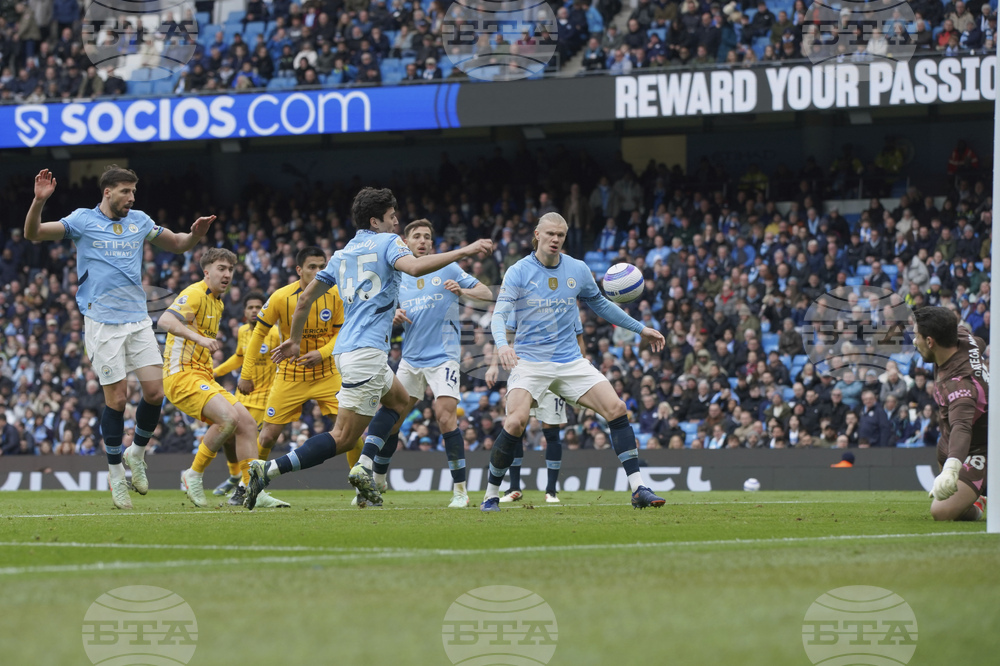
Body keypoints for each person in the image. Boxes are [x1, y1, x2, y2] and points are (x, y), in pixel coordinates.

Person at [244, 188, 492, 509]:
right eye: (392, 217)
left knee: (400, 401)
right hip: (366, 353)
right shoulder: (389, 243)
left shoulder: (342, 254)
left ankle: (366, 468)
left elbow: (304, 299)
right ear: (376, 221)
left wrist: (293, 338)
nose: (396, 222)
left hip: (348, 350)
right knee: (343, 437)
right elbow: (414, 268)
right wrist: (465, 250)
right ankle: (271, 469)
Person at [23, 166, 214, 509]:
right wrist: (39, 202)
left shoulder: (139, 221)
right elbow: (34, 233)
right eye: (126, 191)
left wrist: (195, 235)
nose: (132, 198)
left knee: (156, 392)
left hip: (138, 319)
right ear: (108, 192)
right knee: (118, 400)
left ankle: (136, 454)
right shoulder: (82, 221)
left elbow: (179, 244)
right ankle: (115, 475)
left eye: (134, 192)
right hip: (102, 322)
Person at [483, 212, 667, 511]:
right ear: (538, 234)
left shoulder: (578, 269)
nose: (556, 239)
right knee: (515, 422)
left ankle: (638, 489)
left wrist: (641, 328)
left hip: (570, 361)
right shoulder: (518, 271)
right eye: (550, 234)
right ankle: (491, 493)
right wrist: (502, 345)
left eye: (561, 235)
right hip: (529, 362)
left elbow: (602, 305)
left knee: (617, 409)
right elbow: (500, 314)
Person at [236, 246, 361, 508]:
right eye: (312, 267)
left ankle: (361, 486)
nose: (318, 272)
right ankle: (247, 485)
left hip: (328, 373)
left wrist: (322, 353)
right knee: (268, 436)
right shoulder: (281, 297)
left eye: (322, 267)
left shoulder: (336, 294)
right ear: (299, 270)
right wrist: (245, 375)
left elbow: (341, 333)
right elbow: (258, 333)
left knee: (352, 431)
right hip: (291, 375)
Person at [382, 219, 493, 508]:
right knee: (393, 420)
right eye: (416, 236)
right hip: (410, 358)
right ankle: (378, 480)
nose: (422, 241)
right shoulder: (397, 276)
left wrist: (462, 292)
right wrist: (393, 316)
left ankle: (460, 491)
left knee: (445, 417)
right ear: (405, 243)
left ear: (432, 244)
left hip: (443, 357)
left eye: (427, 237)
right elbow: (384, 311)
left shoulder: (448, 267)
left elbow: (487, 293)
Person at [158, 249, 261, 509]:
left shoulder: (218, 301)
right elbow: (165, 320)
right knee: (228, 419)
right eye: (221, 269)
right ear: (207, 272)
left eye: (230, 270)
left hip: (202, 375)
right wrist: (199, 338)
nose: (227, 274)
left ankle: (251, 489)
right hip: (181, 374)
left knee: (247, 425)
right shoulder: (194, 293)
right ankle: (193, 473)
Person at [487, 314, 585, 504]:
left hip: (556, 372)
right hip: (524, 373)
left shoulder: (565, 305)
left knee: (551, 431)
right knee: (516, 428)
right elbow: (503, 335)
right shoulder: (521, 306)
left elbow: (579, 338)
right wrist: (493, 365)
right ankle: (514, 488)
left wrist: (581, 367)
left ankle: (551, 491)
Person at [913, 306, 988, 521]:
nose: (913, 343)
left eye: (916, 337)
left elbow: (962, 428)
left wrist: (951, 470)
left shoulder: (960, 386)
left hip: (978, 448)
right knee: (946, 446)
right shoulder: (962, 336)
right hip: (949, 439)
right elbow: (979, 342)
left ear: (930, 342)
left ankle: (979, 499)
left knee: (941, 512)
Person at [207, 289, 280, 499]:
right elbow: (239, 357)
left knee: (250, 441)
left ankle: (245, 486)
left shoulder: (274, 333)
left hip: (264, 397)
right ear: (245, 311)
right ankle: (234, 475)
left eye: (259, 307)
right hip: (242, 396)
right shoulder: (242, 332)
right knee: (227, 437)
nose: (255, 310)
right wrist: (216, 371)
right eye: (251, 307)